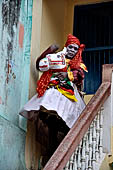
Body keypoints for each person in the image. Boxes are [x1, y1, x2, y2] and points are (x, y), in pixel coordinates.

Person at [19, 34, 87, 166]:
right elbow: (40, 65)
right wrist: (49, 50)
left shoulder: (77, 64)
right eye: (70, 48)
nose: (72, 51)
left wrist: (68, 75)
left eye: (75, 49)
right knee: (50, 100)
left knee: (68, 115)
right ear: (66, 47)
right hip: (54, 87)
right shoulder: (57, 58)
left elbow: (79, 75)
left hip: (69, 92)